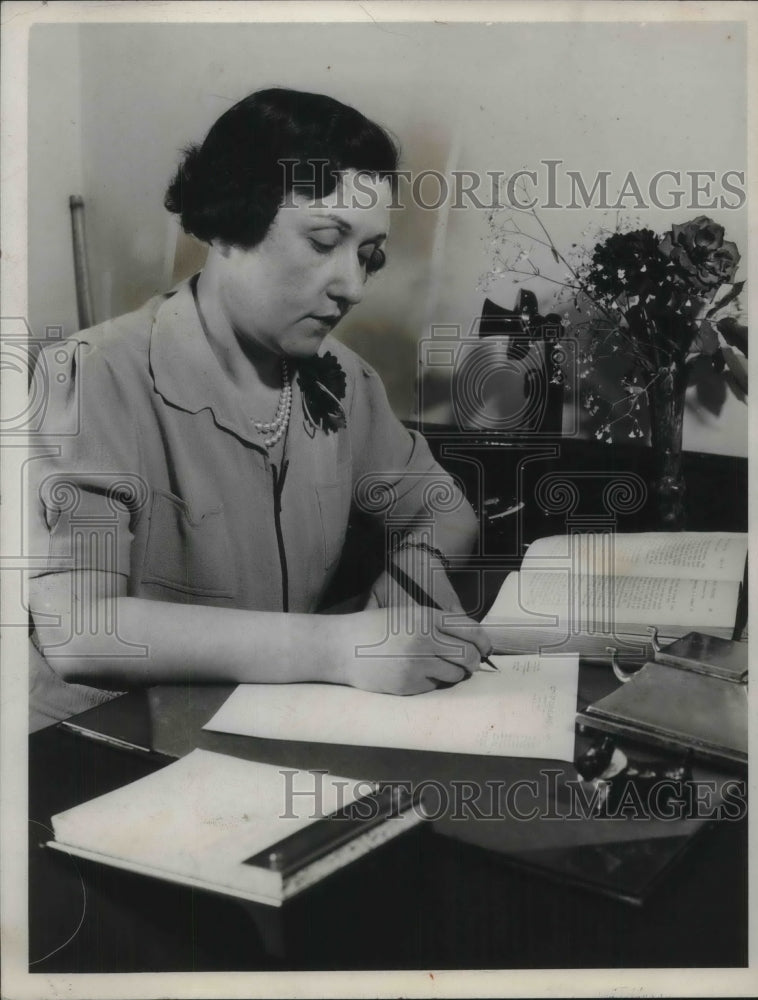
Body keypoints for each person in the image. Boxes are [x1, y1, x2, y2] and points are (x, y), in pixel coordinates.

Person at [27, 88, 491, 731]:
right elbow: (81, 629)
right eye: (324, 240)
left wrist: (406, 590)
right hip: (91, 753)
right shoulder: (92, 375)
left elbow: (446, 513)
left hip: (248, 737)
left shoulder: (345, 380)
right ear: (227, 224)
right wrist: (343, 645)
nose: (352, 287)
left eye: (368, 256)